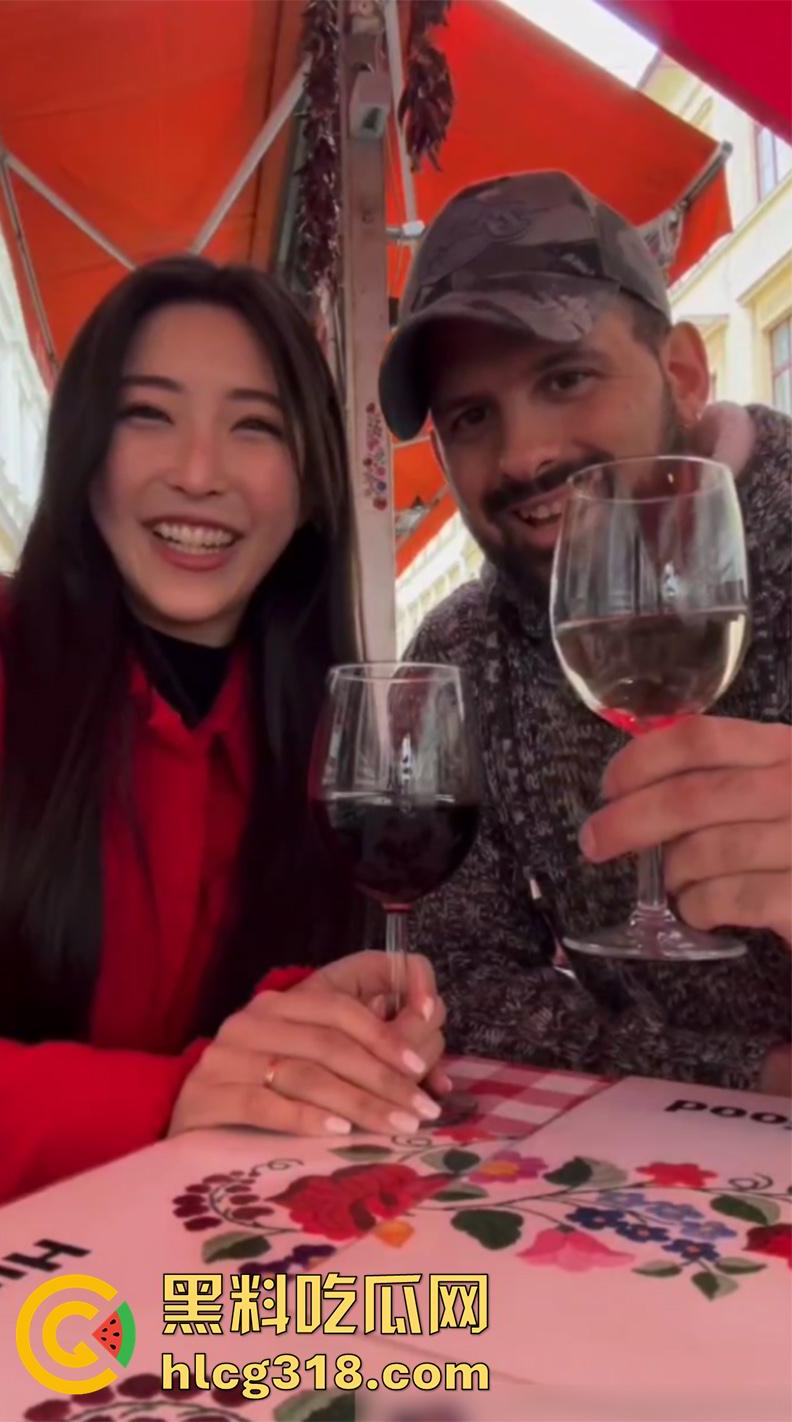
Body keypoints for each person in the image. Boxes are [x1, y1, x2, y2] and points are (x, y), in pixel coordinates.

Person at [0, 256, 448, 1207]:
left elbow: (255, 1050)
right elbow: (201, 1082)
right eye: (147, 415)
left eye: (255, 427)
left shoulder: (316, 740)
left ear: (312, 486)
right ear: (83, 455)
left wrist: (326, 1033)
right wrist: (177, 1097)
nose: (198, 474)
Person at [379, 171, 791, 1095]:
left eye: (565, 378)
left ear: (682, 373)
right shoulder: (464, 651)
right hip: (644, 1161)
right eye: (472, 416)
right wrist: (750, 1076)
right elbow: (455, 977)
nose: (524, 454)